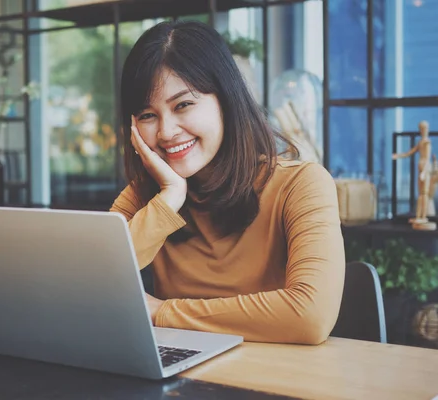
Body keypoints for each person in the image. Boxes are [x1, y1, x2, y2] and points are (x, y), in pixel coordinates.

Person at [110, 20, 345, 345]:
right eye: (148, 115)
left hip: (278, 379)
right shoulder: (148, 196)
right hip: (182, 381)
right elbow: (88, 290)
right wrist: (169, 200)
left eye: (183, 105)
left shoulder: (301, 185)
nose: (166, 132)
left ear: (226, 100)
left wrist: (162, 313)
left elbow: (309, 315)